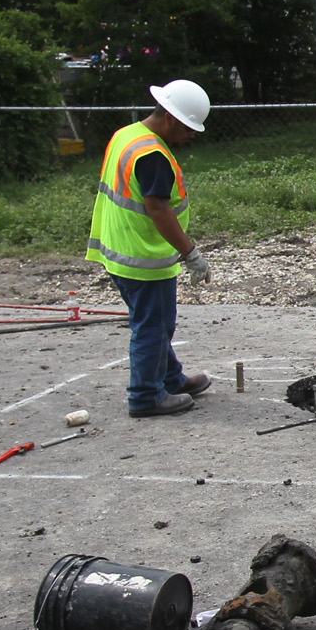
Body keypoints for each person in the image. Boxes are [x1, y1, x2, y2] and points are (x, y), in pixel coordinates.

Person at [85, 80, 215, 417]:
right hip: (142, 256)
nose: (192, 136)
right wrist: (190, 253)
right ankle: (145, 396)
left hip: (119, 248)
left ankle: (170, 379)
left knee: (153, 322)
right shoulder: (153, 154)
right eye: (190, 128)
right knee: (153, 326)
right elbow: (158, 208)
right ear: (171, 119)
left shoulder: (127, 135)